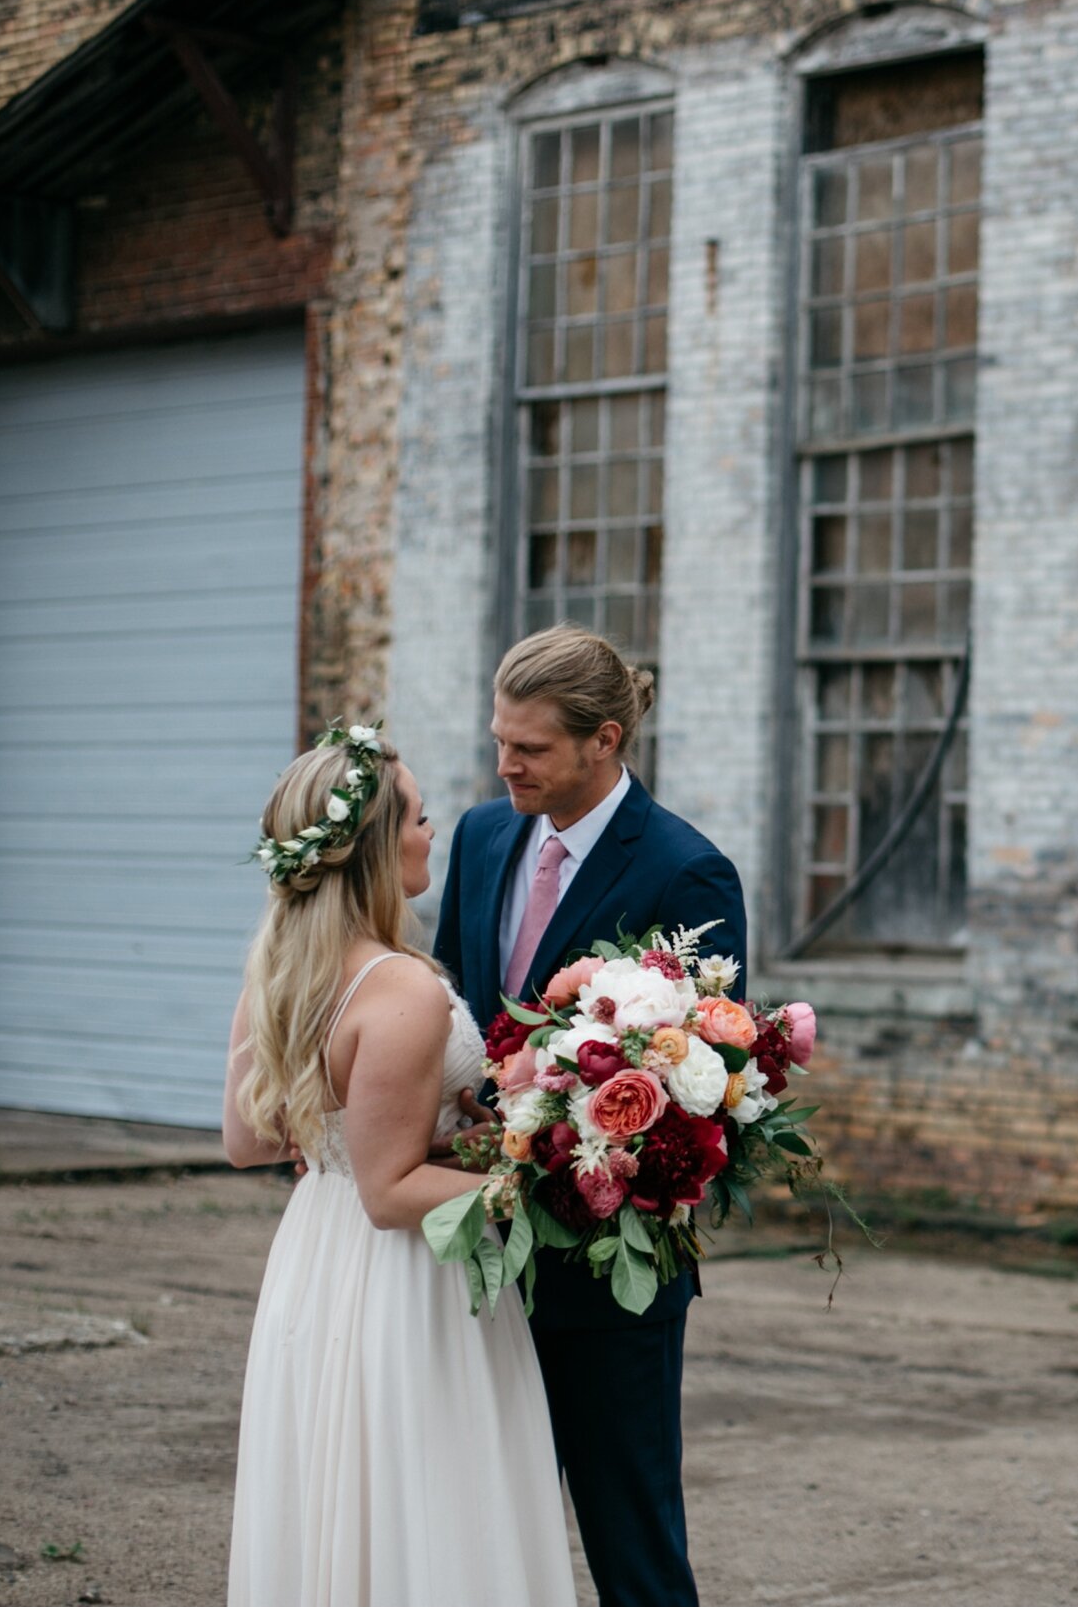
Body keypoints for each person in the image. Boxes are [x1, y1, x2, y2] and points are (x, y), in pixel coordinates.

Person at [221, 724, 575, 1606]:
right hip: (404, 1280)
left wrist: (354, 1133)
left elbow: (248, 1141)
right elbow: (392, 1192)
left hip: (314, 1258)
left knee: (336, 1495)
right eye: (419, 817)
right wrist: (547, 1184)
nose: (431, 832)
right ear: (379, 844)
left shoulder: (278, 969)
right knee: (432, 1502)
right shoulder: (403, 990)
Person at [433, 625, 746, 1607]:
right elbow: (451, 1006)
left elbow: (706, 1085)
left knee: (629, 1537)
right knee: (477, 1522)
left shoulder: (686, 871)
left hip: (609, 1270)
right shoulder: (484, 835)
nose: (504, 764)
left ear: (604, 740)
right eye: (498, 741)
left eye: (528, 748)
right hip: (477, 1249)